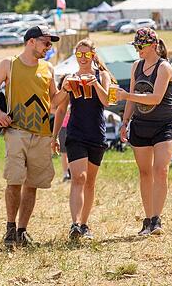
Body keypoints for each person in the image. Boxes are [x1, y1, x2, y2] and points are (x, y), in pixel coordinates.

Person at [0, 25, 66, 248]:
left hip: (42, 134)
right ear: (31, 42)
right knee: (14, 181)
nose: (49, 48)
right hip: (16, 132)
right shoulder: (9, 64)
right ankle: (10, 229)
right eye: (46, 43)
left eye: (50, 44)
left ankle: (22, 231)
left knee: (33, 184)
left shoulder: (48, 68)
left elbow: (54, 102)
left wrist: (67, 89)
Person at [115, 28, 172, 236]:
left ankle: (157, 219)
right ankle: (148, 219)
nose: (138, 50)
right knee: (144, 173)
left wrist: (127, 95)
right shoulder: (136, 66)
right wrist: (124, 122)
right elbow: (132, 100)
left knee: (161, 170)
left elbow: (155, 98)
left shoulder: (164, 67)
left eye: (140, 46)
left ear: (153, 45)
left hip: (164, 124)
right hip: (141, 125)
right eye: (136, 46)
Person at [55, 39, 115, 240]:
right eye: (79, 55)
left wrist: (95, 83)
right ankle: (74, 224)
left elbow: (108, 101)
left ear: (93, 55)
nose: (82, 58)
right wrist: (54, 135)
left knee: (90, 182)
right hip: (75, 134)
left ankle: (84, 224)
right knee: (78, 177)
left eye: (86, 55)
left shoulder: (102, 75)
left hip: (96, 134)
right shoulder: (69, 78)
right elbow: (59, 107)